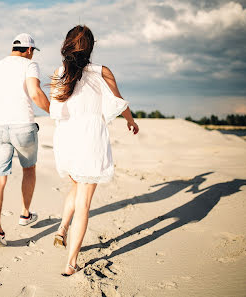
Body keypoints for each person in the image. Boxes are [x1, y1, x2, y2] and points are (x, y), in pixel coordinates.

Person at [49, 25, 139, 276]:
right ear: (91, 47)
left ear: (68, 45)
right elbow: (119, 102)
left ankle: (61, 229)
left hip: (66, 137)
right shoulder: (102, 71)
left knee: (77, 186)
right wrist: (131, 121)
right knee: (84, 202)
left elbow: (56, 111)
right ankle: (71, 262)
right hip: (90, 138)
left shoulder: (59, 72)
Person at [0, 33, 50, 246]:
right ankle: (24, 214)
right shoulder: (30, 65)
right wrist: (53, 110)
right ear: (29, 50)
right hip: (23, 126)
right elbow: (34, 93)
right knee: (29, 168)